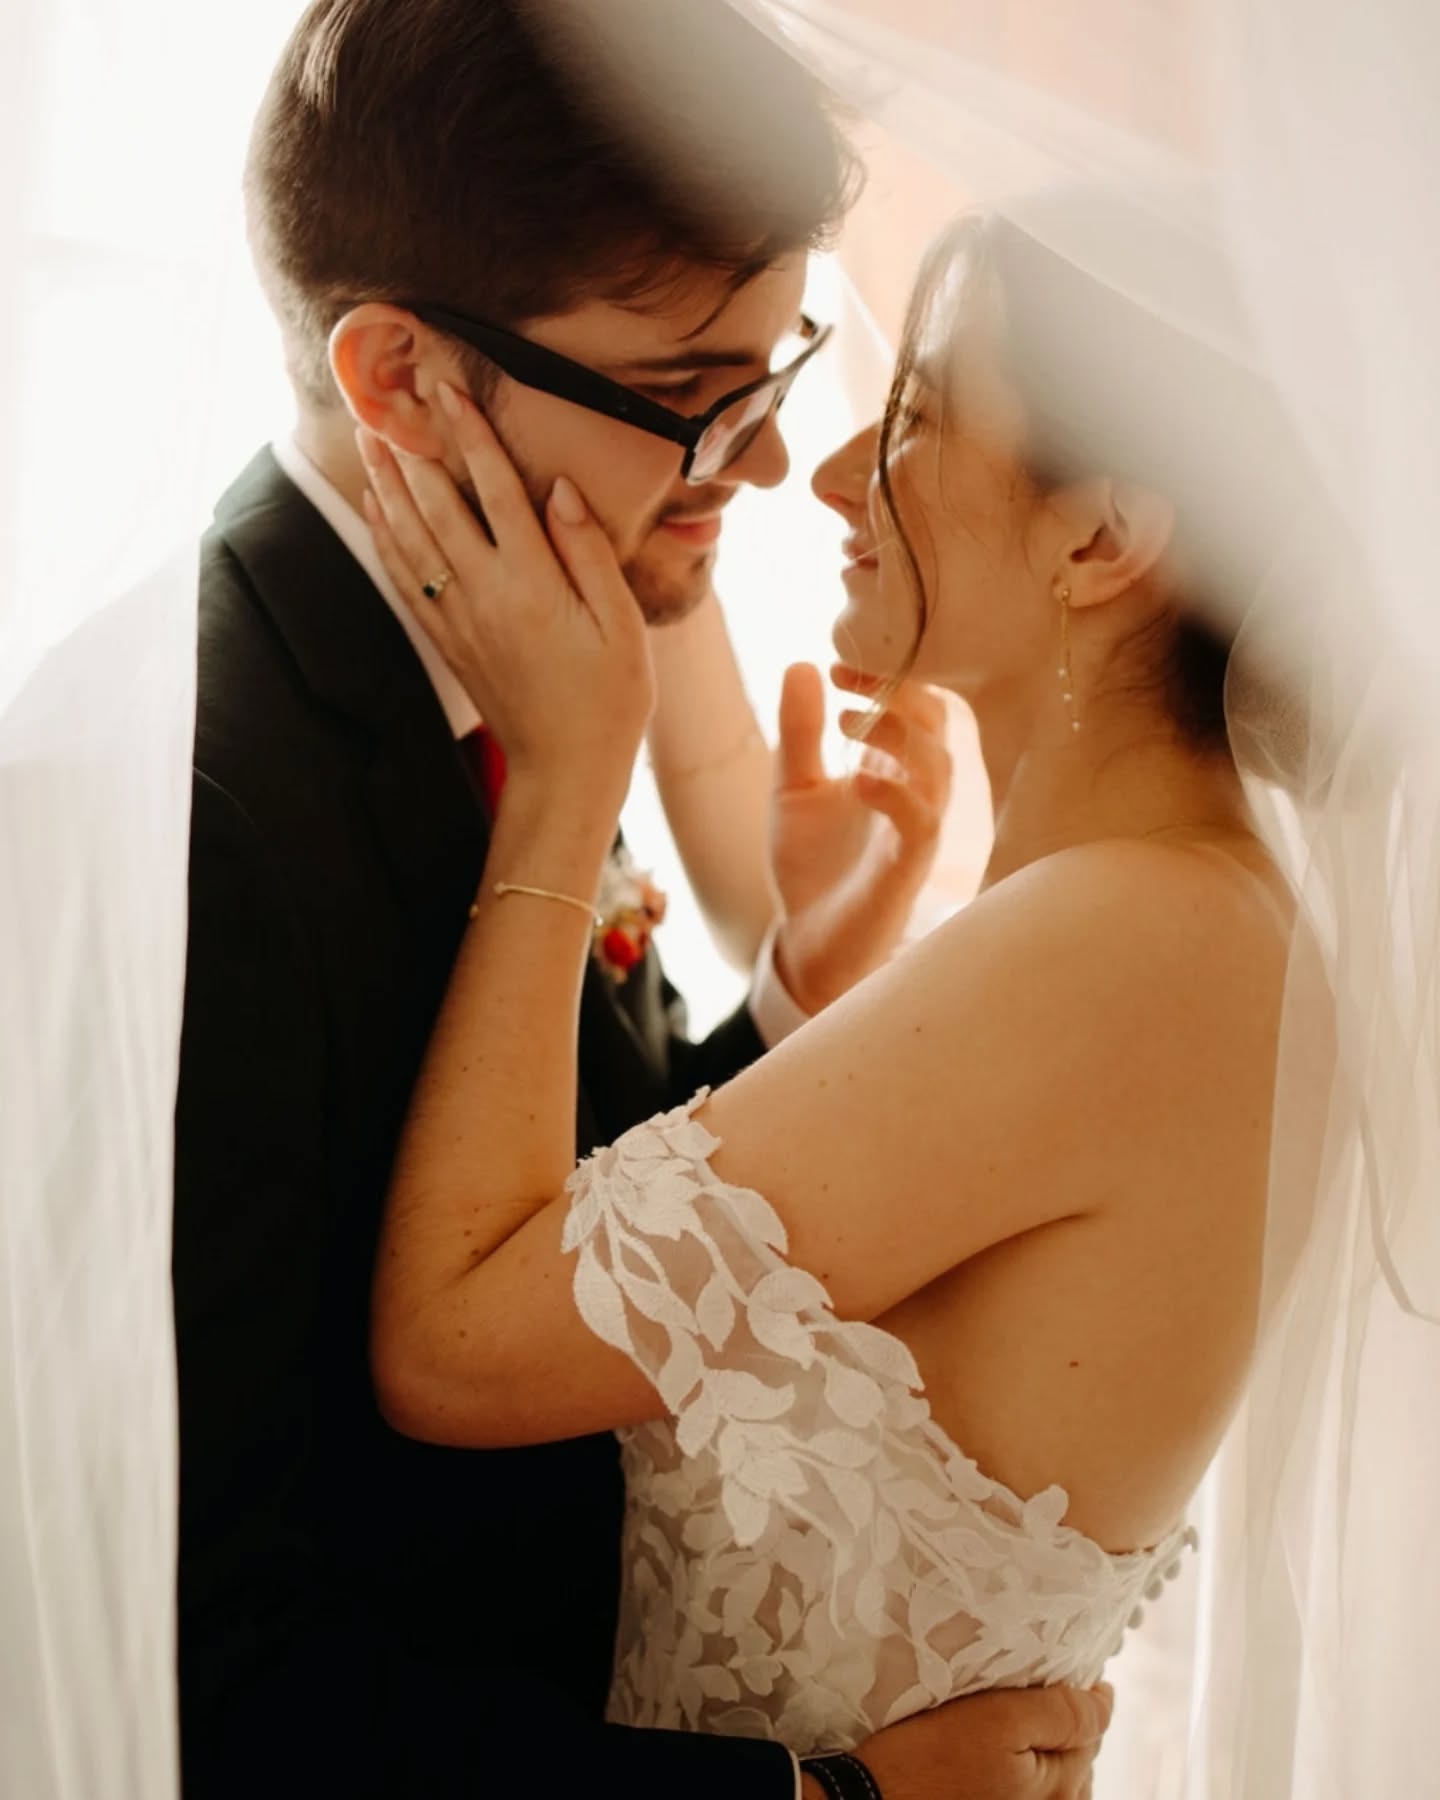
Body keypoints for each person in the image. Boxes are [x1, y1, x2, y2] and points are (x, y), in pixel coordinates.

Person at [175, 2, 1109, 1797]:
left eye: (776, 372)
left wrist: (774, 1000)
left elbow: (522, 1186)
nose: (764, 464)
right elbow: (212, 1674)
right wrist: (836, 1798)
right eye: (694, 399)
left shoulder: (516, 659)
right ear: (400, 382)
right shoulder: (211, 810)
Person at [363, 206, 1333, 1775]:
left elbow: (455, 1347)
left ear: (1099, 541)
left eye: (924, 416)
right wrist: (813, 972)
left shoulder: (1129, 940)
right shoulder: (1180, 919)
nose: (826, 476)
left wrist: (564, 780)